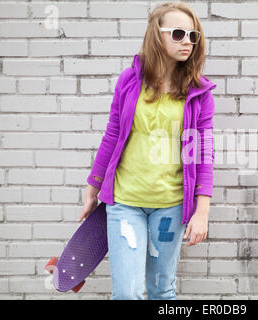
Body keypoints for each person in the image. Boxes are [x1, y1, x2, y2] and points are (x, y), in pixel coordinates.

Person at [76, 1, 217, 300]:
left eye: (193, 36)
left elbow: (201, 153)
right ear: (157, 36)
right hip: (125, 203)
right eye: (178, 33)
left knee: (161, 290)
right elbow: (112, 135)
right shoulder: (129, 82)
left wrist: (201, 211)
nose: (187, 42)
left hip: (171, 205)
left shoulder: (198, 94)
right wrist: (93, 186)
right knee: (126, 294)